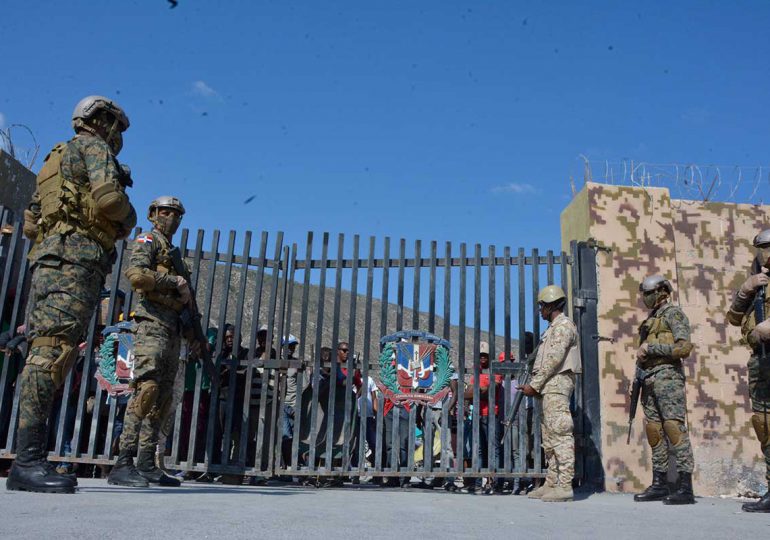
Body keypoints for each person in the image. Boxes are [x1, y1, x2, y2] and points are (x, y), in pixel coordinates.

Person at [7, 96, 135, 494]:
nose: (117, 135)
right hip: (75, 260)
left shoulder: (54, 159)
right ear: (101, 121)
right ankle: (27, 462)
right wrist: (127, 218)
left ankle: (29, 458)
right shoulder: (92, 146)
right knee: (54, 351)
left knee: (46, 348)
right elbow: (110, 200)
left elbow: (30, 223)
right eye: (115, 126)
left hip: (48, 258)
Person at [108, 196, 190, 488]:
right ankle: (123, 462)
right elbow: (137, 276)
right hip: (151, 324)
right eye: (167, 212)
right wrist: (173, 283)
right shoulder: (147, 239)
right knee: (146, 390)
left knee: (162, 398)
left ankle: (146, 463)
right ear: (155, 214)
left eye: (177, 214)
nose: (172, 218)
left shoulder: (174, 253)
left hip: (172, 329)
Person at [632, 275, 696, 505]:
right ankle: (659, 483)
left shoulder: (673, 314)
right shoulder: (651, 320)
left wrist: (652, 348)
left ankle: (685, 487)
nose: (645, 298)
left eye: (648, 293)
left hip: (667, 377)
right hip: (649, 378)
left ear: (661, 292)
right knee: (654, 432)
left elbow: (684, 347)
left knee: (673, 427)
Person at [519, 285, 580, 502]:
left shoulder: (563, 326)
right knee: (549, 437)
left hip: (557, 384)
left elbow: (554, 359)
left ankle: (564, 485)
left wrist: (535, 384)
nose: (540, 310)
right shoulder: (552, 328)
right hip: (549, 386)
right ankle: (552, 482)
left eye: (542, 306)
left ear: (552, 305)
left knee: (560, 434)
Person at [728, 229, 770, 512]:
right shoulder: (759, 282)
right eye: (762, 248)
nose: (765, 253)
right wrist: (747, 289)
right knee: (764, 424)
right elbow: (732, 318)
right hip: (761, 360)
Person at [463, 341, 503, 494]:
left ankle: (495, 483)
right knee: (479, 450)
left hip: (492, 414)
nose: (482, 359)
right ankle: (479, 482)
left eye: (485, 356)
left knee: (494, 450)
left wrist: (477, 391)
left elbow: (492, 391)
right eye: (480, 356)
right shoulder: (476, 374)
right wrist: (482, 390)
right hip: (478, 415)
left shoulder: (495, 372)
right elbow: (467, 394)